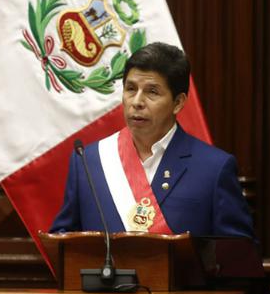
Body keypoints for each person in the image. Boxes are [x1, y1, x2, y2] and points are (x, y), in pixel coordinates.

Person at [49, 42, 254, 238]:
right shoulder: (89, 161)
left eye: (152, 92)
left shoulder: (213, 168)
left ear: (178, 103)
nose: (137, 102)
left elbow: (236, 259)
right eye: (131, 89)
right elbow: (63, 243)